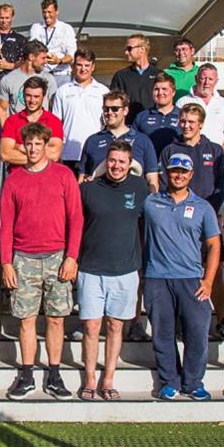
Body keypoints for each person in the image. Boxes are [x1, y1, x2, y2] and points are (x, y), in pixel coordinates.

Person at [0, 123, 83, 400]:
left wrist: (72, 257)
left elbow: (76, 218)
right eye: (29, 144)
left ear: (47, 145)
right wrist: (6, 262)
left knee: (57, 320)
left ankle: (55, 374)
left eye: (39, 143)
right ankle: (26, 374)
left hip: (58, 257)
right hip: (23, 258)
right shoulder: (14, 179)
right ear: (23, 146)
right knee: (26, 320)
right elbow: (6, 224)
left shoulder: (63, 175)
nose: (34, 149)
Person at [143, 153, 221, 401]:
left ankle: (193, 382)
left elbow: (214, 245)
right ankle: (169, 381)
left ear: (191, 175)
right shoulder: (151, 203)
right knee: (162, 334)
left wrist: (208, 281)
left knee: (196, 333)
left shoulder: (203, 207)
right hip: (157, 278)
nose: (178, 175)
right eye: (174, 170)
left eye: (183, 171)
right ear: (167, 173)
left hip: (191, 279)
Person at [77, 141, 148, 401]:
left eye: (122, 161)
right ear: (106, 161)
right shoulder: (88, 190)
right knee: (91, 327)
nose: (116, 166)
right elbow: (75, 226)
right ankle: (89, 379)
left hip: (125, 270)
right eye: (112, 160)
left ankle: (108, 379)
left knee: (116, 326)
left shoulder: (140, 188)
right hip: (91, 269)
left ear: (130, 164)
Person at [159, 103, 224, 338]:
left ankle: (221, 319)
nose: (186, 125)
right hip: (178, 222)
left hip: (207, 219)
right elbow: (162, 184)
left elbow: (222, 185)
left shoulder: (215, 150)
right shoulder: (170, 149)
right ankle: (182, 321)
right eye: (183, 121)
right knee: (181, 272)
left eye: (191, 122)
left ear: (201, 124)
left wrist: (210, 212)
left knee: (216, 271)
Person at [79, 90, 158, 193]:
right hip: (100, 200)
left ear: (125, 110)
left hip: (132, 201)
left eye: (115, 109)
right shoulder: (92, 141)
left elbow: (152, 179)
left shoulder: (142, 141)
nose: (109, 113)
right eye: (106, 109)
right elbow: (82, 178)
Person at [51, 49, 108, 174]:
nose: (83, 69)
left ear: (93, 67)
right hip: (68, 154)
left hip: (96, 154)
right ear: (73, 66)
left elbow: (108, 125)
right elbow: (55, 125)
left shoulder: (103, 92)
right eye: (79, 65)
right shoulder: (62, 91)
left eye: (87, 65)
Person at [0, 76, 64, 171]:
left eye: (36, 97)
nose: (32, 101)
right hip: (19, 177)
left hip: (47, 177)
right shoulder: (12, 121)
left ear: (44, 96)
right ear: (23, 95)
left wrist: (19, 147)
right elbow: (5, 154)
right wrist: (40, 156)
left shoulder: (53, 121)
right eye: (28, 96)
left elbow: (54, 154)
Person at [176, 63, 224, 153]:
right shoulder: (182, 102)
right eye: (203, 78)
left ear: (216, 81)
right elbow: (177, 131)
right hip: (189, 156)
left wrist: (219, 153)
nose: (206, 82)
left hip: (217, 160)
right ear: (196, 78)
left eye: (210, 79)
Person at [0, 40, 58, 125]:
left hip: (41, 131)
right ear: (31, 57)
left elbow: (55, 108)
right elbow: (2, 110)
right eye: (43, 58)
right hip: (17, 131)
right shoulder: (8, 79)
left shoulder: (49, 79)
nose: (45, 62)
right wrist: (7, 132)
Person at [110, 34, 163, 123]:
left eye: (129, 48)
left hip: (154, 126)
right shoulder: (121, 76)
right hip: (129, 126)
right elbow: (114, 103)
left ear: (142, 49)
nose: (126, 52)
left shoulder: (159, 75)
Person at [29, 0, 76, 87]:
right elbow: (33, 48)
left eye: (49, 12)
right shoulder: (36, 27)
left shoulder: (66, 29)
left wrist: (59, 61)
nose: (46, 15)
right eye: (44, 12)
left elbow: (71, 56)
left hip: (61, 75)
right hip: (41, 74)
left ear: (57, 11)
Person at [133, 72, 181, 157]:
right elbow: (133, 143)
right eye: (156, 89)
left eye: (164, 89)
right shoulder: (142, 117)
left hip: (175, 166)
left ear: (173, 92)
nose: (160, 93)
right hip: (148, 167)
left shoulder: (183, 116)